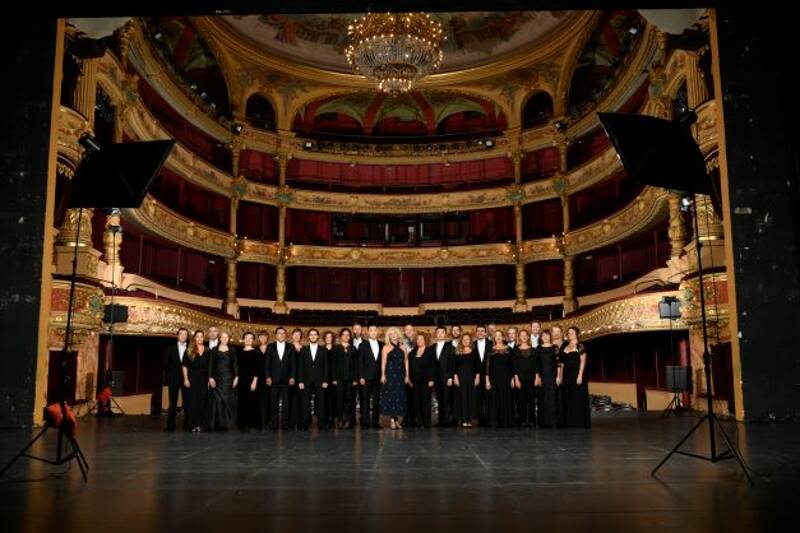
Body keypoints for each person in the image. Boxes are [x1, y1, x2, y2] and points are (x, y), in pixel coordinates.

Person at [297, 329, 329, 430]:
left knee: (321, 403)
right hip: (306, 380)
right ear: (308, 337)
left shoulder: (323, 350)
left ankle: (322, 424)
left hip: (320, 380)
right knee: (305, 403)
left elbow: (326, 366)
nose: (313, 336)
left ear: (318, 336)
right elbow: (300, 366)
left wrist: (325, 380)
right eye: (311, 335)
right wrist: (300, 381)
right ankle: (305, 424)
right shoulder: (303, 349)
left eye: (315, 334)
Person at [205, 331, 238, 431]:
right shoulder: (214, 350)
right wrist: (210, 377)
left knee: (227, 400)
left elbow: (235, 364)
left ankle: (227, 423)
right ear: (220, 338)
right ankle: (218, 423)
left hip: (228, 378)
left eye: (226, 337)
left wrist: (236, 376)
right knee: (218, 401)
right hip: (217, 379)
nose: (224, 339)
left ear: (228, 339)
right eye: (223, 337)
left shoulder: (232, 350)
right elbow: (211, 364)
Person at [560, 326, 591, 428]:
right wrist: (560, 376)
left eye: (572, 332)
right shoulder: (565, 346)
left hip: (577, 375)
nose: (570, 334)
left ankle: (579, 422)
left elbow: (583, 361)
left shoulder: (580, 345)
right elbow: (562, 364)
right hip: (566, 375)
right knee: (568, 397)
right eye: (568, 333)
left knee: (578, 398)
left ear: (577, 333)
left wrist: (580, 375)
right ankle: (570, 422)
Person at [265, 327, 295, 430]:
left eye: (283, 333)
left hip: (287, 380)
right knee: (273, 402)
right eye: (279, 333)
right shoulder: (270, 347)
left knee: (287, 403)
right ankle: (273, 423)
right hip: (273, 379)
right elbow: (267, 363)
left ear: (285, 335)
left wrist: (292, 377)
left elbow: (293, 364)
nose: (281, 335)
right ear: (276, 335)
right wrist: (268, 376)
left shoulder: (291, 347)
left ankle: (285, 424)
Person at [380, 327, 409, 430]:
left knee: (399, 397)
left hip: (400, 375)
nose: (393, 335)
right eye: (391, 333)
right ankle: (393, 420)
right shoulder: (386, 347)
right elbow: (383, 362)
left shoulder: (403, 347)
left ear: (398, 334)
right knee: (391, 397)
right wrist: (383, 375)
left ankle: (396, 419)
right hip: (390, 375)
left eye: (395, 333)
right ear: (389, 335)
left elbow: (406, 362)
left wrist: (407, 375)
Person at [182, 330, 210, 432]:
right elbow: (184, 366)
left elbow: (210, 367)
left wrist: (209, 380)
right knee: (192, 401)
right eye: (197, 336)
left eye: (201, 336)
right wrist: (186, 379)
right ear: (194, 338)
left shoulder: (208, 350)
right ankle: (191, 425)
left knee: (202, 401)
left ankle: (200, 424)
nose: (199, 338)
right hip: (192, 378)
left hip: (204, 379)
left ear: (203, 338)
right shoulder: (189, 350)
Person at [486, 330, 514, 428]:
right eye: (496, 336)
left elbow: (512, 366)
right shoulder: (490, 350)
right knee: (494, 399)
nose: (498, 337)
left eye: (500, 335)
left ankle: (505, 422)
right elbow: (487, 367)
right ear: (494, 338)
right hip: (494, 379)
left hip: (506, 378)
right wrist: (487, 380)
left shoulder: (509, 349)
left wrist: (512, 379)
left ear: (503, 337)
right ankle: (495, 422)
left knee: (506, 398)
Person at [163, 327, 189, 431]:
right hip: (173, 379)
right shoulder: (170, 348)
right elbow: (165, 364)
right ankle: (171, 424)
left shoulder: (191, 349)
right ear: (178, 336)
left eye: (185, 334)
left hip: (186, 379)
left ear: (187, 336)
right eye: (181, 334)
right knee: (172, 402)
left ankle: (188, 424)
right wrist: (169, 376)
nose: (183, 336)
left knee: (187, 402)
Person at [535, 329, 561, 428]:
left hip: (553, 376)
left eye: (547, 335)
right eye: (543, 335)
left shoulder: (555, 348)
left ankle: (553, 422)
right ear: (541, 338)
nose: (545, 337)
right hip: (542, 376)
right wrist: (537, 377)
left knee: (553, 398)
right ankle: (544, 422)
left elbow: (558, 363)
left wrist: (558, 376)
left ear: (550, 336)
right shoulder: (538, 349)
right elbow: (536, 365)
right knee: (543, 398)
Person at [332, 328, 357, 429]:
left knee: (348, 400)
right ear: (341, 336)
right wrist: (334, 378)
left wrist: (355, 379)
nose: (346, 336)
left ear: (350, 337)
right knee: (339, 400)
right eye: (344, 335)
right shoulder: (336, 348)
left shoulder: (353, 349)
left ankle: (347, 419)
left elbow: (355, 365)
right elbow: (333, 364)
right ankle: (339, 419)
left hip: (350, 379)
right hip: (339, 379)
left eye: (348, 335)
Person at [358, 324, 383, 429]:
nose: (373, 332)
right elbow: (360, 362)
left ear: (377, 332)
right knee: (365, 400)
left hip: (378, 377)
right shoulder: (363, 345)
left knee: (377, 400)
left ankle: (376, 421)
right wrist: (361, 376)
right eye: (371, 330)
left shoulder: (382, 345)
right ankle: (365, 421)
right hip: (366, 377)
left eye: (375, 330)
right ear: (367, 332)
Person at [430, 325, 455, 427]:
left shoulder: (451, 347)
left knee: (447, 399)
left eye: (442, 332)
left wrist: (450, 377)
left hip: (446, 378)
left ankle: (447, 421)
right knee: (439, 399)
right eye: (438, 332)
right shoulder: (432, 347)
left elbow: (452, 364)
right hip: (436, 378)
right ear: (436, 334)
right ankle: (440, 421)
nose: (440, 334)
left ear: (445, 334)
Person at [407, 333, 433, 428]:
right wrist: (409, 379)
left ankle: (427, 422)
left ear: (425, 340)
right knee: (416, 402)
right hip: (415, 381)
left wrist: (431, 379)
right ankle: (419, 422)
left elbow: (432, 367)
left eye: (421, 339)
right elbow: (409, 368)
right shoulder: (412, 352)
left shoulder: (430, 352)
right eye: (417, 339)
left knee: (425, 401)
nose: (419, 341)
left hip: (426, 381)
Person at [237, 332, 261, 431]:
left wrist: (254, 381)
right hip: (241, 380)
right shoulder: (239, 352)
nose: (248, 340)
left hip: (252, 380)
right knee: (242, 402)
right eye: (246, 338)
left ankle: (252, 424)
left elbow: (257, 368)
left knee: (252, 402)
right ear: (243, 339)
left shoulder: (256, 352)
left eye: (250, 338)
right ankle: (243, 424)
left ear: (253, 340)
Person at [453, 333, 479, 428]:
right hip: (461, 377)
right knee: (462, 398)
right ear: (461, 341)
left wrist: (477, 377)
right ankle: (463, 420)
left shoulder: (474, 351)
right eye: (464, 339)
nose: (465, 341)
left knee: (471, 398)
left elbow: (477, 366)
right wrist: (455, 378)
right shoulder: (457, 352)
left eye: (467, 339)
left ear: (470, 341)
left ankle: (470, 420)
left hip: (471, 377)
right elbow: (454, 367)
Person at [513, 329, 536, 428]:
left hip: (531, 378)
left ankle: (530, 420)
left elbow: (536, 366)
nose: (523, 337)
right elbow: (514, 366)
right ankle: (522, 420)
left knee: (531, 400)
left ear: (528, 337)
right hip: (520, 379)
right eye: (521, 335)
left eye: (525, 335)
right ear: (519, 337)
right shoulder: (515, 350)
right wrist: (516, 379)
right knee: (521, 400)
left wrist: (537, 377)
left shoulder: (534, 350)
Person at [472, 325, 490, 426]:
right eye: (478, 331)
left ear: (485, 333)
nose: (480, 333)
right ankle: (480, 419)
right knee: (477, 398)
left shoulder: (491, 344)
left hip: (489, 376)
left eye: (482, 331)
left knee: (489, 398)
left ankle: (488, 418)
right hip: (476, 376)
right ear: (476, 333)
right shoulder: (472, 345)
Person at [256, 330, 271, 429]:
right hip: (257, 377)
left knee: (268, 399)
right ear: (259, 338)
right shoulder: (255, 349)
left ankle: (267, 420)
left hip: (269, 377)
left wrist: (270, 377)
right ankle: (259, 421)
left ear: (267, 338)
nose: (263, 338)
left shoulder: (271, 348)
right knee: (258, 399)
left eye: (265, 336)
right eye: (261, 336)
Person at [322, 330, 336, 428]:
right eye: (327, 337)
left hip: (334, 378)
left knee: (333, 400)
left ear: (332, 338)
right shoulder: (321, 349)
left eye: (330, 337)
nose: (328, 339)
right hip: (323, 378)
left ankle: (332, 420)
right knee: (324, 399)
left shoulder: (336, 349)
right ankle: (325, 419)